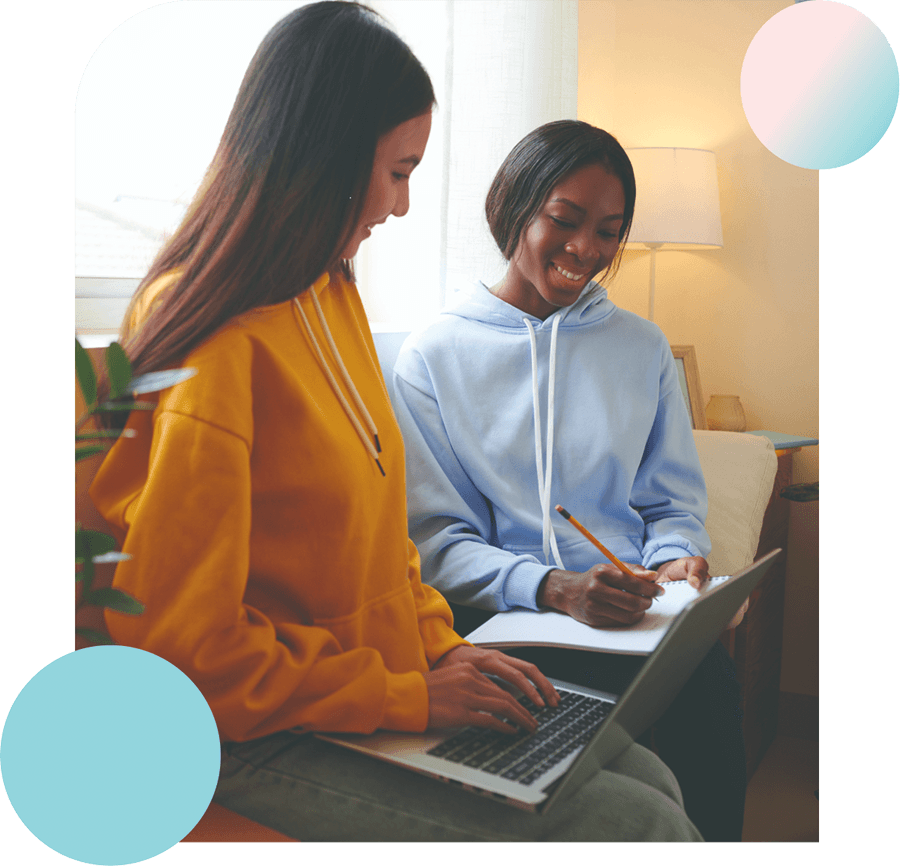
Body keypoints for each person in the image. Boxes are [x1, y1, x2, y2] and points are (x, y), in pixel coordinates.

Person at [89, 4, 702, 842]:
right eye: (397, 171)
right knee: (635, 824)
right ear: (325, 156)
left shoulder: (332, 292)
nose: (404, 206)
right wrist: (406, 694)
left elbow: (382, 555)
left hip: (360, 685)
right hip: (247, 729)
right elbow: (188, 656)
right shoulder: (216, 341)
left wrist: (442, 647)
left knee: (654, 776)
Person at [391, 120, 747, 841]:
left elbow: (670, 503)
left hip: (639, 619)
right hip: (509, 622)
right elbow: (436, 541)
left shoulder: (641, 348)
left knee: (707, 687)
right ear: (516, 206)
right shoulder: (434, 355)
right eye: (566, 220)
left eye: (610, 231)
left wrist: (671, 558)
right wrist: (555, 588)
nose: (587, 249)